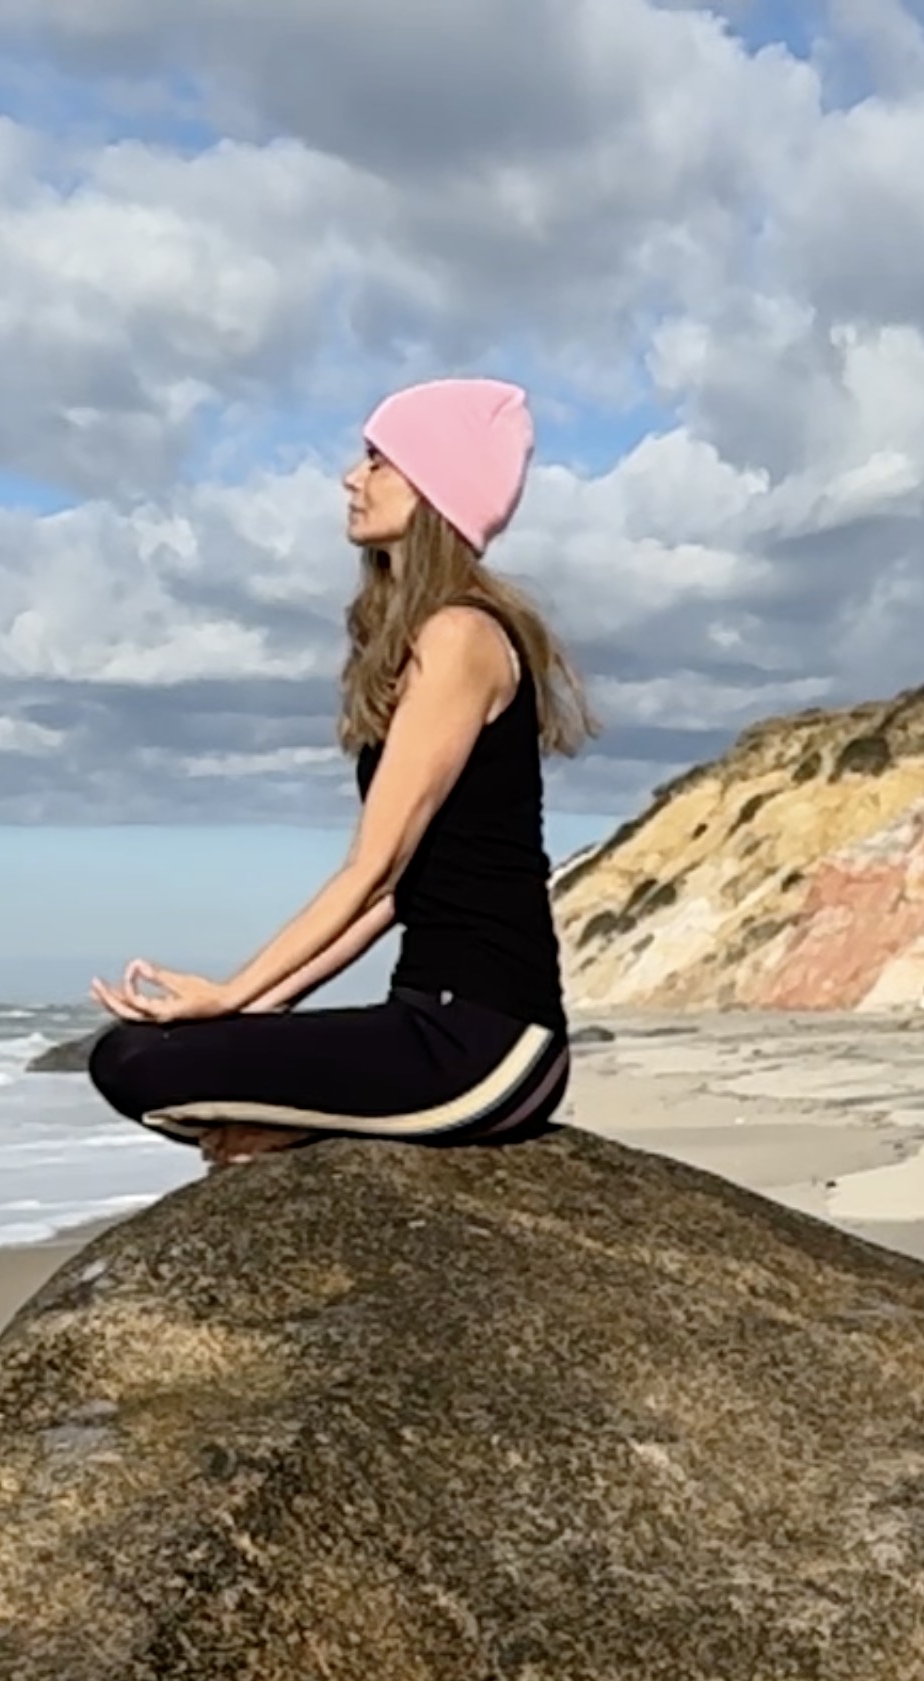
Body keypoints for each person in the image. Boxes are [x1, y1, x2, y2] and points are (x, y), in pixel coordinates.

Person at [84, 377, 598, 1165]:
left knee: (131, 1063)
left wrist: (229, 995)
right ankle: (310, 1117)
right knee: (134, 1052)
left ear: (435, 487)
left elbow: (371, 869)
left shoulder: (460, 636)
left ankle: (309, 1121)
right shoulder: (428, 635)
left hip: (485, 1042)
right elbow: (394, 895)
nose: (351, 478)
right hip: (441, 1022)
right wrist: (261, 1005)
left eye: (377, 460)